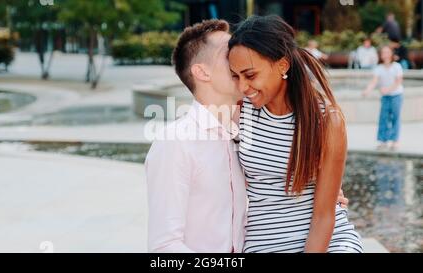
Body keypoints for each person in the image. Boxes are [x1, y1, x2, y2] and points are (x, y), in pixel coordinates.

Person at [145, 19, 350, 253]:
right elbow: (163, 247)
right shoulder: (177, 142)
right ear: (202, 72)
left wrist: (326, 189)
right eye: (229, 55)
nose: (238, 56)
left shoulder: (240, 120)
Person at [228, 15, 363, 253]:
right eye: (235, 76)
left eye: (250, 75)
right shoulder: (237, 109)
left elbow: (324, 215)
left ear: (282, 65)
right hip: (263, 244)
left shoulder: (326, 121)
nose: (242, 87)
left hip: (327, 244)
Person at [363, 45, 404, 151]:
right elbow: (374, 81)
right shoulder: (379, 68)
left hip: (396, 95)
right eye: (383, 52)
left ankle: (395, 140)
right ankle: (383, 140)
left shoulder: (397, 66)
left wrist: (388, 89)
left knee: (395, 117)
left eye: (387, 52)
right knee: (383, 118)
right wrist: (368, 89)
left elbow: (398, 81)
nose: (385, 54)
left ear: (391, 53)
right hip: (385, 97)